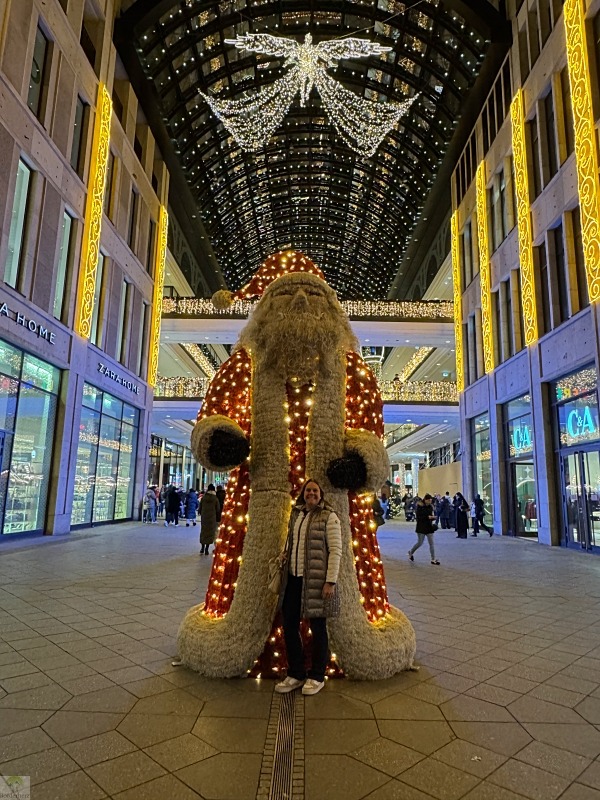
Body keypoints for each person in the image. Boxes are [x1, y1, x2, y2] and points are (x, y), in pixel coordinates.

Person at [276, 479, 342, 696]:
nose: (311, 493)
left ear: (320, 494)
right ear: (303, 493)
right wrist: (285, 554)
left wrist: (330, 581)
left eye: (314, 490)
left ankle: (317, 675)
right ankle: (296, 673)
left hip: (316, 581)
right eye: (308, 490)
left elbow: (336, 550)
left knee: (318, 628)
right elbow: (291, 541)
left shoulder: (329, 516)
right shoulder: (296, 514)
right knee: (289, 624)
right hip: (293, 580)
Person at [408, 493, 440, 565]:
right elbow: (419, 517)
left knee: (431, 543)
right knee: (420, 543)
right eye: (429, 500)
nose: (430, 502)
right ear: (425, 500)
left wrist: (432, 518)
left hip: (429, 527)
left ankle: (433, 559)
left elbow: (430, 515)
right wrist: (428, 517)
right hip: (421, 527)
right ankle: (411, 552)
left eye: (431, 500)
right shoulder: (420, 506)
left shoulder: (430, 507)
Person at [199, 484, 221, 554]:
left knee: (203, 531)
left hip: (204, 517)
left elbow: (200, 507)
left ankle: (202, 548)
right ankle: (206, 549)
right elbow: (218, 509)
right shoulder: (215, 498)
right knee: (210, 533)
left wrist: (201, 512)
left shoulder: (204, 497)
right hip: (212, 518)